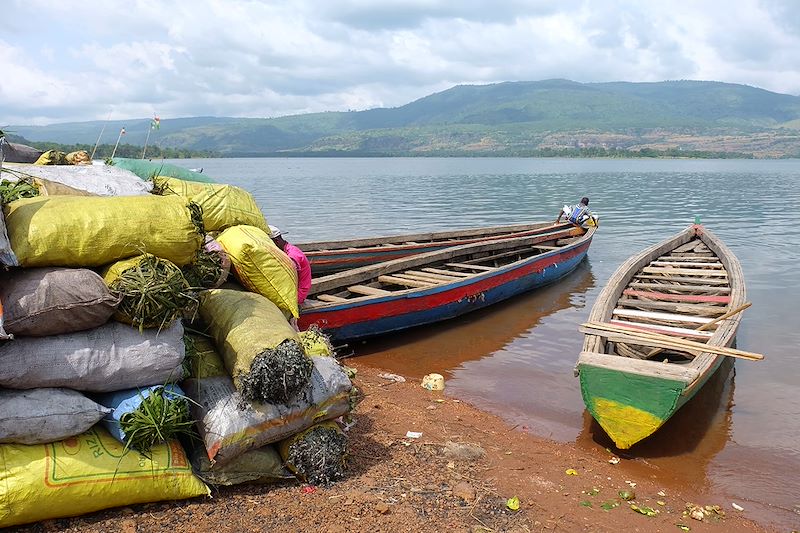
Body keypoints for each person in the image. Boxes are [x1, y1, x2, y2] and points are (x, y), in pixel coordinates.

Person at [268, 225, 312, 305]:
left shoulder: (292, 256)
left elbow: (290, 280)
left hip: (298, 294)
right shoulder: (286, 249)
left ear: (276, 241)